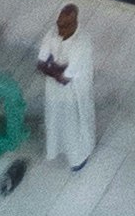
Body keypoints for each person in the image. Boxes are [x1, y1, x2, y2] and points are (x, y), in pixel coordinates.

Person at [35, 10, 95, 169]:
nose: (59, 30)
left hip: (75, 92)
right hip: (55, 90)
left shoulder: (82, 43)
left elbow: (64, 79)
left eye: (64, 26)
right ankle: (56, 150)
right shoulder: (53, 33)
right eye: (59, 25)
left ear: (74, 24)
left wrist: (52, 67)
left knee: (74, 124)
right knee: (54, 120)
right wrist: (57, 69)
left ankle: (78, 157)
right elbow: (40, 64)